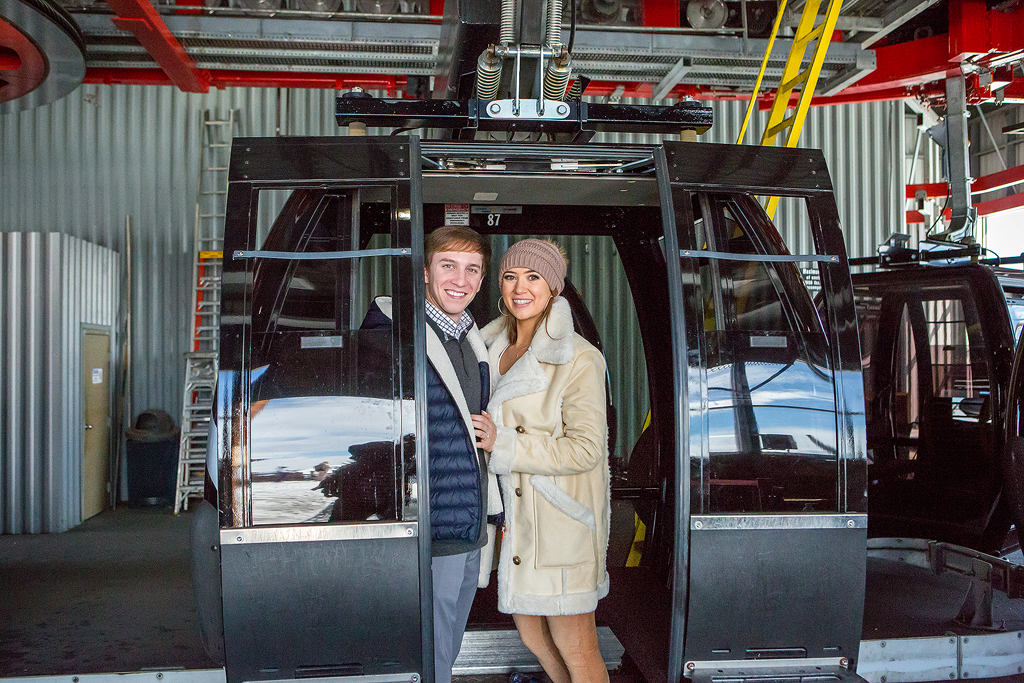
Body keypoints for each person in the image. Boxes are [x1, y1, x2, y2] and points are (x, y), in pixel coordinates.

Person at [360, 225, 504, 683]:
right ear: (424, 272)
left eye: (472, 270)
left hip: (466, 520)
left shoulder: (468, 338)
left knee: (449, 642)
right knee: (431, 650)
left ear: (481, 281)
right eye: (448, 266)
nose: (460, 280)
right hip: (431, 521)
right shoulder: (394, 337)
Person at [479, 239, 611, 683]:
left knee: (577, 647)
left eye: (534, 277)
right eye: (511, 276)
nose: (521, 287)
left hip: (557, 521)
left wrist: (505, 446)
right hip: (511, 521)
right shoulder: (487, 345)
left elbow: (586, 447)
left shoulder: (579, 358)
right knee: (535, 639)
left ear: (553, 289)